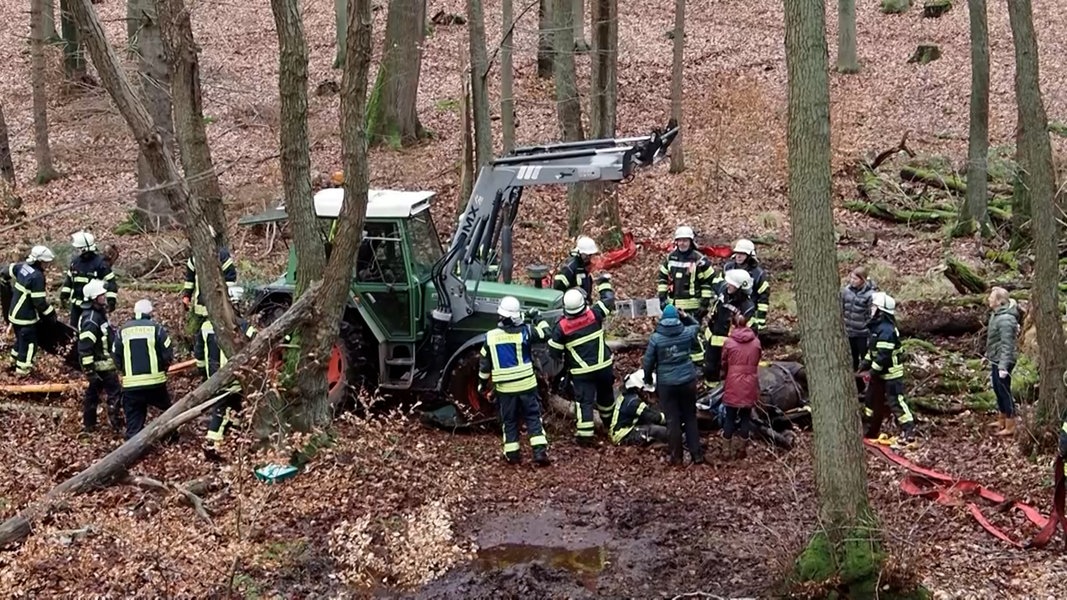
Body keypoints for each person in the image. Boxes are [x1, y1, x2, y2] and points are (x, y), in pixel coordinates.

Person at [478, 296, 552, 466]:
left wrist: (482, 385)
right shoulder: (526, 332)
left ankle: (512, 455)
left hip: (505, 390)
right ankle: (539, 453)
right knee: (533, 417)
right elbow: (546, 333)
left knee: (509, 421)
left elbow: (484, 367)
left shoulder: (490, 337)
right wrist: (537, 317)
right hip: (527, 386)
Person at [549, 284, 616, 446]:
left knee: (584, 402)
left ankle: (586, 437)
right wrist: (604, 284)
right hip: (604, 366)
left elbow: (554, 353)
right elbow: (609, 301)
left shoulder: (561, 328)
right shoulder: (594, 314)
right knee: (606, 398)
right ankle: (611, 426)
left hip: (582, 372)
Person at [195, 286, 257, 459]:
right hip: (233, 378)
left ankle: (233, 442)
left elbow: (199, 355)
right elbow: (259, 341)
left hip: (213, 377)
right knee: (221, 410)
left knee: (235, 409)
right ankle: (212, 444)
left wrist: (204, 374)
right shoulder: (242, 326)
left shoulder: (206, 326)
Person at [642, 304, 705, 465]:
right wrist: (686, 316)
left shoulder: (656, 338)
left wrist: (648, 379)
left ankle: (676, 457)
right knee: (690, 417)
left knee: (672, 420)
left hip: (667, 384)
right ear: (677, 318)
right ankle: (696, 454)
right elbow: (697, 325)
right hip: (687, 381)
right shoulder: (686, 333)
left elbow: (648, 362)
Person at [858, 292, 916, 447]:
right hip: (880, 373)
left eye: (874, 307)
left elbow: (883, 355)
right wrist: (864, 364)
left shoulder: (887, 330)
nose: (871, 309)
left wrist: (872, 372)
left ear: (881, 310)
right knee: (870, 400)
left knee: (895, 401)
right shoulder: (877, 328)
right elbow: (874, 352)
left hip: (891, 374)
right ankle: (870, 429)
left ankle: (908, 430)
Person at [113, 298, 174, 440]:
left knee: (134, 420)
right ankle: (171, 437)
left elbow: (115, 354)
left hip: (131, 385)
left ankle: (132, 449)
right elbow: (168, 352)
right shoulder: (156, 328)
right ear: (150, 313)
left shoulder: (122, 330)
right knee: (168, 412)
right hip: (155, 383)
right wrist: (164, 369)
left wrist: (124, 371)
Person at [2, 245, 57, 376]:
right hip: (25, 317)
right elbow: (39, 302)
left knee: (20, 340)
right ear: (40, 261)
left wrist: (4, 284)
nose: (47, 266)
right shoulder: (37, 277)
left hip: (14, 314)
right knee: (29, 344)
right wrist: (51, 314)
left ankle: (12, 363)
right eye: (46, 263)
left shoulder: (22, 267)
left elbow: (5, 271)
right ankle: (23, 372)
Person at [77, 279, 123, 434]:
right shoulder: (91, 320)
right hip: (101, 365)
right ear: (94, 298)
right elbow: (85, 346)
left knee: (93, 395)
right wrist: (90, 370)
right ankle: (115, 424)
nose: (104, 297)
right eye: (101, 295)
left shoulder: (98, 314)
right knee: (114, 393)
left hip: (104, 363)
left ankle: (90, 425)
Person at [703, 269, 756, 388]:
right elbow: (713, 279)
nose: (728, 285)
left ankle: (725, 392)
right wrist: (703, 263)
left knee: (728, 371)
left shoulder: (747, 307)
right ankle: (710, 391)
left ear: (739, 287)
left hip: (730, 345)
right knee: (710, 368)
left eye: (731, 284)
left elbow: (751, 330)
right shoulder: (723, 290)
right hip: (712, 338)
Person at [720, 312, 762, 459]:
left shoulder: (729, 342)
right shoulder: (756, 342)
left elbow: (724, 362)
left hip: (733, 381)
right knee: (745, 417)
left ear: (734, 325)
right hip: (750, 382)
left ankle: (726, 450)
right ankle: (742, 449)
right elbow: (757, 359)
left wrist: (727, 373)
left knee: (730, 417)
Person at [59, 231, 117, 327]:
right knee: (74, 331)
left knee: (97, 329)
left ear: (85, 249)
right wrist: (64, 296)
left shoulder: (100, 264)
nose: (77, 251)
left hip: (94, 305)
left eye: (79, 249)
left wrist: (111, 301)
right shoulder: (75, 263)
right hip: (76, 306)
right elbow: (69, 281)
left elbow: (111, 283)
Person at [656, 226, 716, 319]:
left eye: (685, 241)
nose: (682, 243)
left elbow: (707, 282)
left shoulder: (698, 259)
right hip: (673, 306)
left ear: (690, 242)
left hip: (693, 309)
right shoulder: (671, 258)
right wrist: (662, 297)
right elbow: (662, 278)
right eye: (680, 240)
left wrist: (704, 303)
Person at [985, 287, 1022, 437]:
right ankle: (1001, 418)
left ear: (999, 301)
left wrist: (1003, 366)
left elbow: (1007, 345)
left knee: (1004, 391)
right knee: (997, 388)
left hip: (1004, 360)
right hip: (996, 358)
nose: (988, 299)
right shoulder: (996, 315)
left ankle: (1010, 423)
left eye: (991, 297)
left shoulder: (1006, 319)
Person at [182, 234, 238, 326]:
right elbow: (189, 280)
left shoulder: (222, 256)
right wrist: (187, 296)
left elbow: (231, 278)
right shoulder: (194, 258)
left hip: (220, 308)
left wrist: (227, 297)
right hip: (200, 308)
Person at [841, 267, 876, 396]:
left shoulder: (870, 295)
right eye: (851, 278)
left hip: (862, 333)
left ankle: (869, 386)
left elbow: (870, 315)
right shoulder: (846, 291)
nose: (852, 281)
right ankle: (857, 386)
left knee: (865, 360)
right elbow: (841, 308)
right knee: (852, 360)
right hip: (849, 332)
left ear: (863, 280)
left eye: (855, 279)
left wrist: (868, 331)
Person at [609, 369, 668, 446]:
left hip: (627, 429)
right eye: (648, 392)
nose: (650, 395)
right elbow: (653, 416)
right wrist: (670, 419)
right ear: (640, 389)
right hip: (623, 436)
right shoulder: (634, 402)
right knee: (656, 430)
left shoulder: (629, 396)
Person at [722, 239, 770, 332]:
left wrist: (760, 322)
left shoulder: (758, 274)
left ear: (749, 256)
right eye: (737, 253)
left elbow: (763, 298)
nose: (738, 256)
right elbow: (721, 287)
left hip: (748, 312)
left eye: (742, 254)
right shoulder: (728, 268)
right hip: (728, 310)